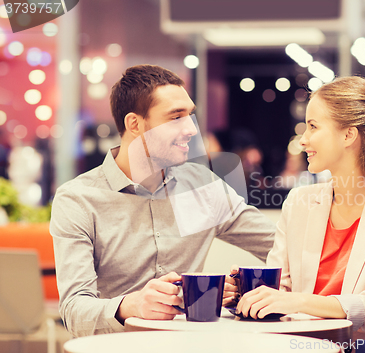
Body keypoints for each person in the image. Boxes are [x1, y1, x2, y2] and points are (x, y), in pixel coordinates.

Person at [50, 65, 275, 337]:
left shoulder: (202, 187)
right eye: (176, 117)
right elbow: (74, 311)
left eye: (190, 115)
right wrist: (129, 305)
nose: (191, 129)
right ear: (135, 124)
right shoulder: (78, 200)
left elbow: (281, 246)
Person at [231, 76, 365, 340]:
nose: (303, 140)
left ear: (348, 134)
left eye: (313, 127)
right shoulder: (299, 202)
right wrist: (247, 291)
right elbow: (280, 285)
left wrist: (297, 302)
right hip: (298, 345)